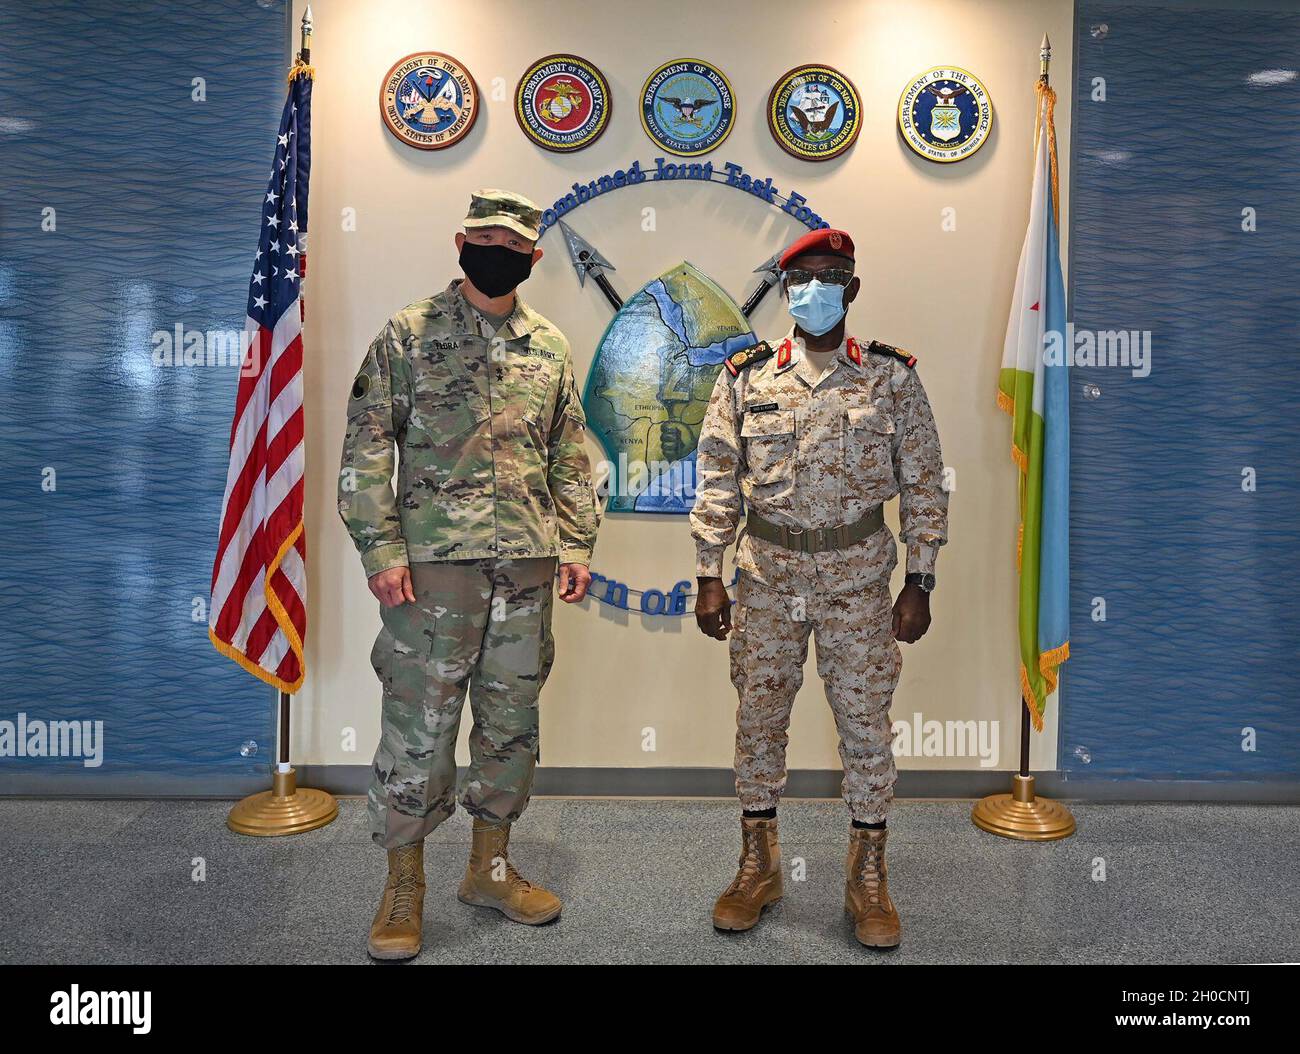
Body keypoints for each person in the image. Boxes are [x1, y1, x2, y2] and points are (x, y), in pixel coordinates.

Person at [338, 189, 600, 960]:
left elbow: (568, 453)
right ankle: (405, 882)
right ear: (461, 241)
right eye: (483, 237)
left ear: (533, 258)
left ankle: (489, 866)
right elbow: (365, 447)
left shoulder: (549, 344)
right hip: (433, 569)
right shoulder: (408, 335)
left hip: (525, 561)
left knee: (511, 719)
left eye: (511, 243)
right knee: (421, 723)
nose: (496, 250)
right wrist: (380, 548)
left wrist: (578, 542)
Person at [689, 227, 948, 948]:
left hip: (860, 580)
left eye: (832, 276)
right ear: (784, 291)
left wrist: (920, 578)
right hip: (766, 576)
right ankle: (758, 865)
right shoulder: (746, 376)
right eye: (801, 279)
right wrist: (708, 576)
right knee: (759, 719)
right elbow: (716, 479)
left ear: (853, 288)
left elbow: (925, 483)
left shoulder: (890, 377)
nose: (815, 290)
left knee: (865, 723)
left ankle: (868, 876)